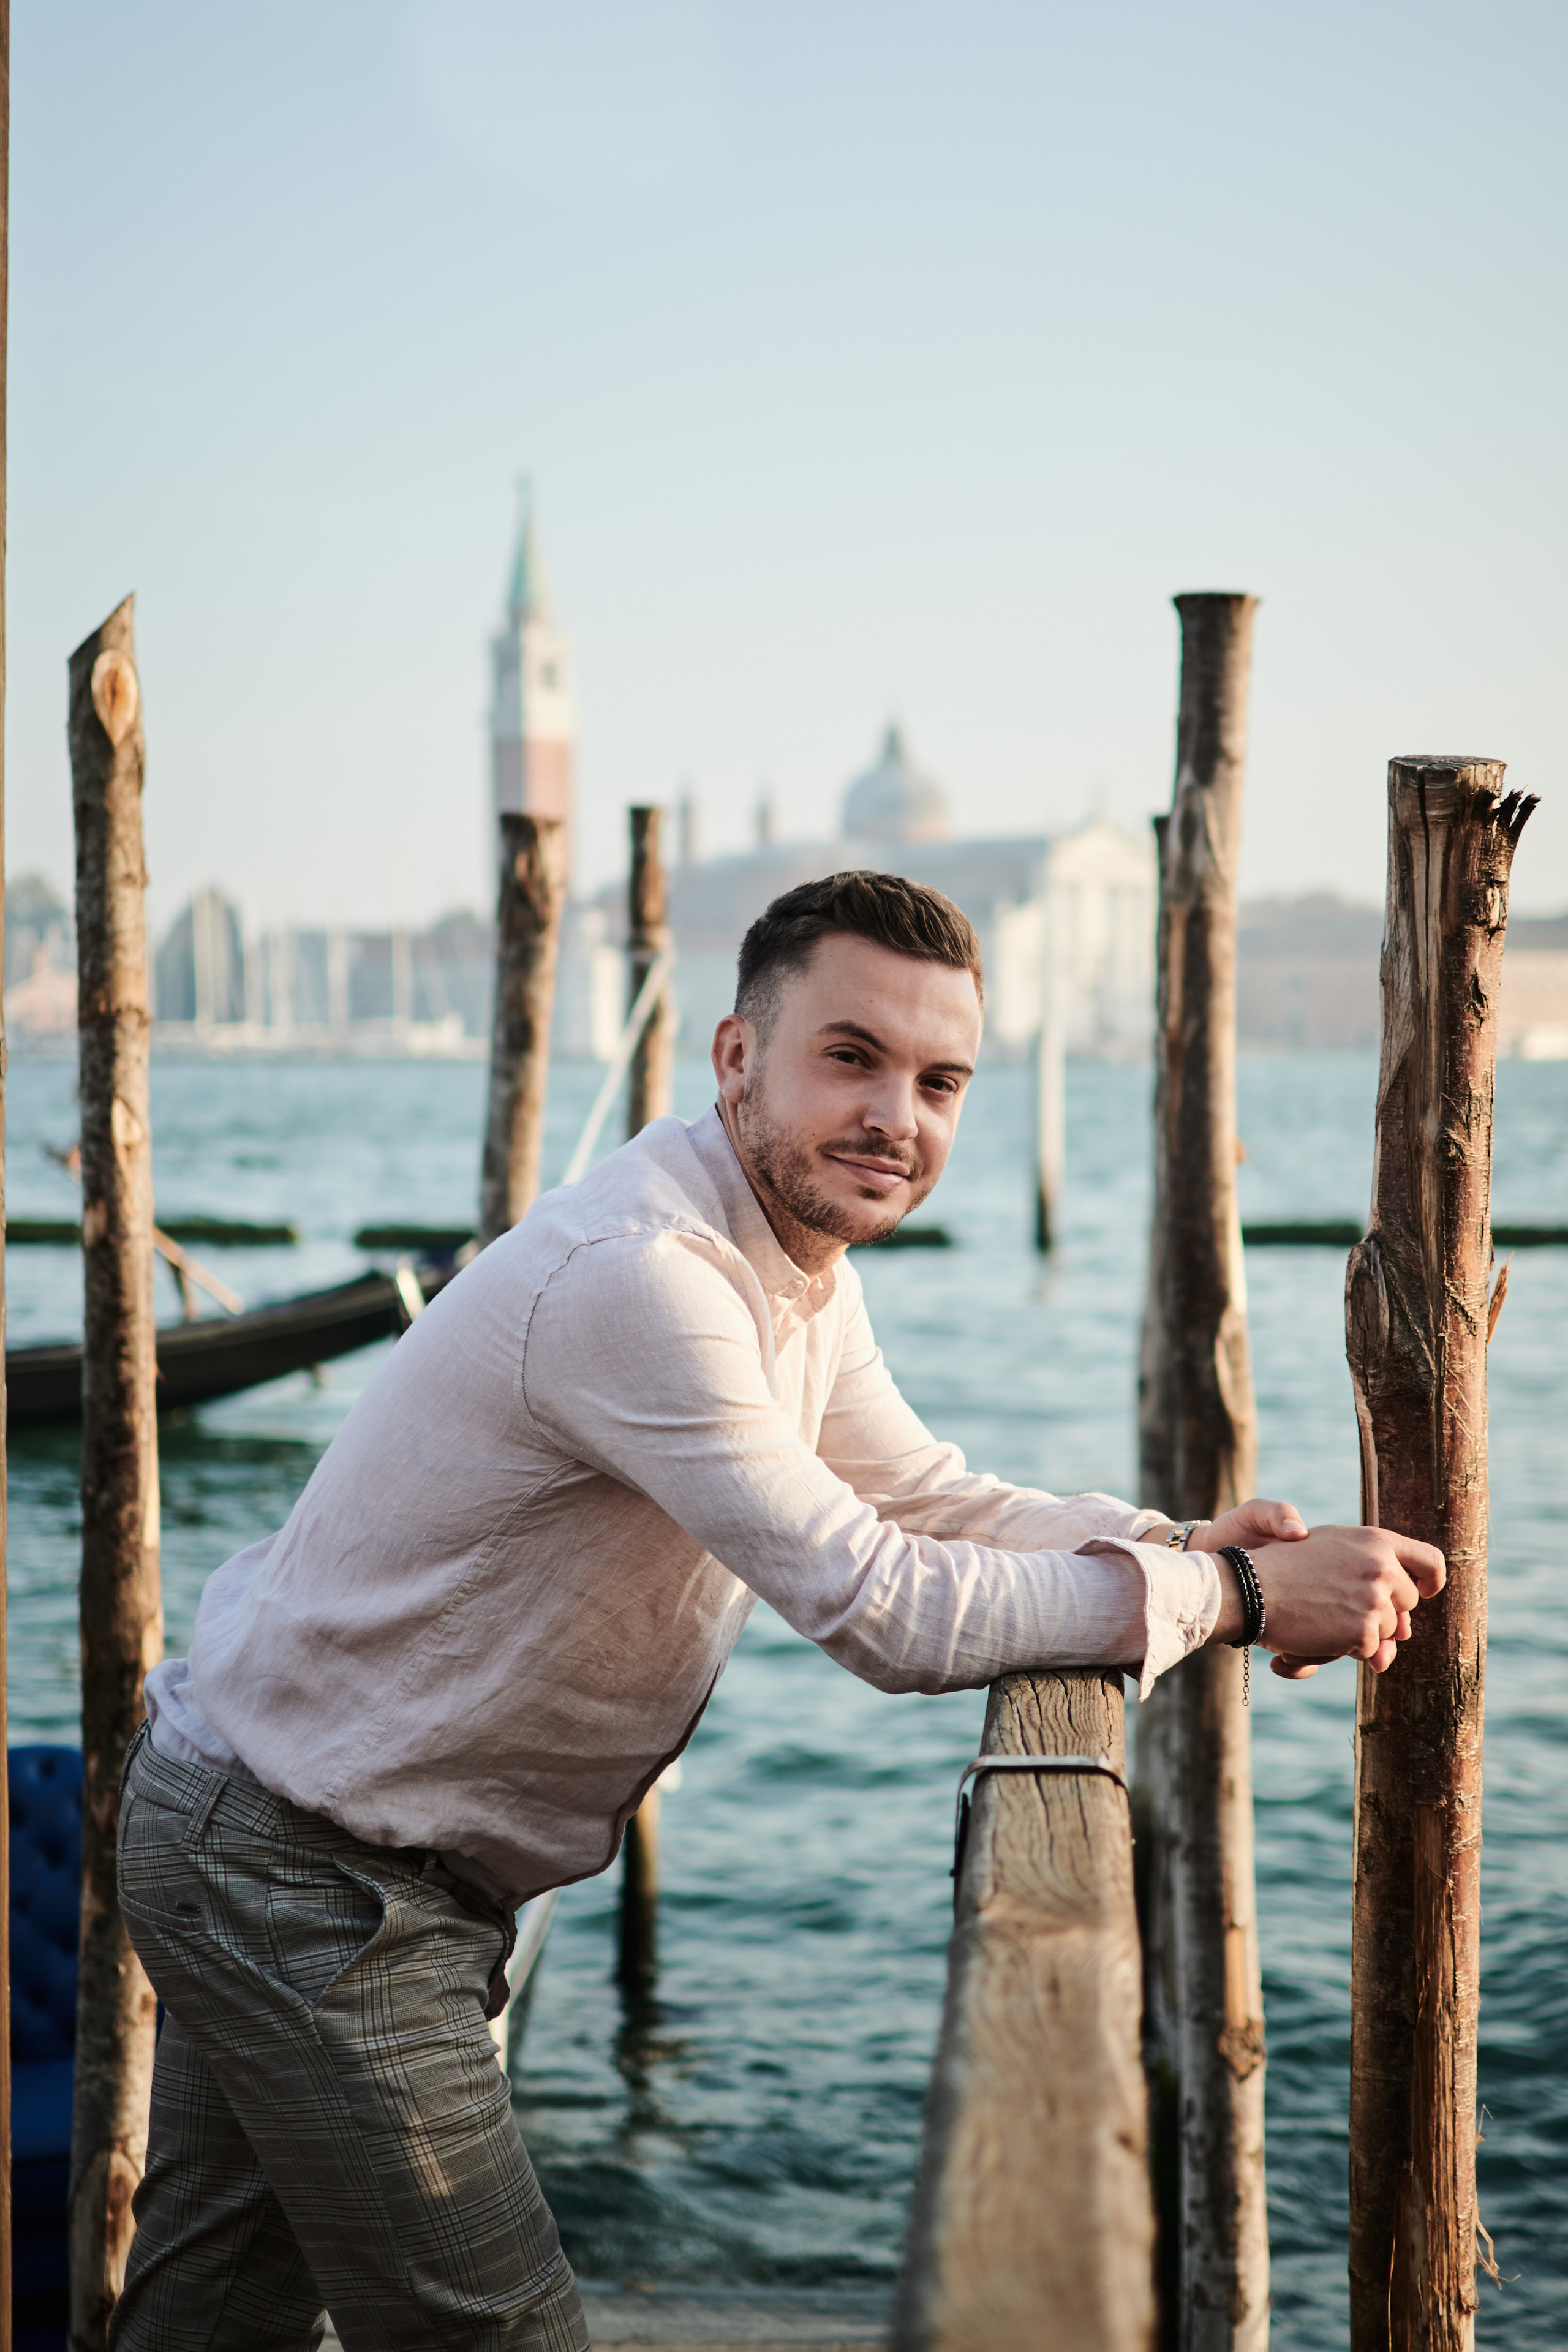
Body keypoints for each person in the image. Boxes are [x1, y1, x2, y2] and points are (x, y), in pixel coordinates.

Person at [113, 870, 1444, 2351]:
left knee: (212, 2321)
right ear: (736, 1056)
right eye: (851, 1057)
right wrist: (1239, 1595)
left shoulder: (789, 1260)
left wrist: (1173, 1542)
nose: (899, 1118)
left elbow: (925, 1497)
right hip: (301, 1868)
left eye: (940, 1082)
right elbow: (877, 1605)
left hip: (291, 1828)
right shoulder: (646, 1279)